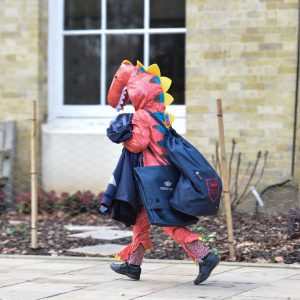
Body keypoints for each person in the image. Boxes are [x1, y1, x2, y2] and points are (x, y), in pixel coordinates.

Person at [105, 60, 219, 285]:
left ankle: (204, 255)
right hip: (163, 171)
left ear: (138, 94)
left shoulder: (141, 116)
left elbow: (138, 144)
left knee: (165, 219)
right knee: (141, 219)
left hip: (151, 175)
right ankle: (133, 265)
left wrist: (121, 133)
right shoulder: (161, 114)